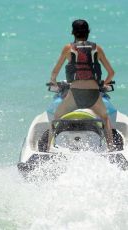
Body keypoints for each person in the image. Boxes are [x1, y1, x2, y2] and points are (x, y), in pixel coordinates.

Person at [48, 19, 115, 151]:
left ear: (73, 32)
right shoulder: (97, 48)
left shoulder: (68, 48)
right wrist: (104, 83)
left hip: (75, 94)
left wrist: (54, 82)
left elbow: (55, 72)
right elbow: (111, 73)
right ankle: (112, 150)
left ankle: (47, 150)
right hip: (94, 94)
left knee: (56, 117)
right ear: (88, 32)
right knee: (105, 118)